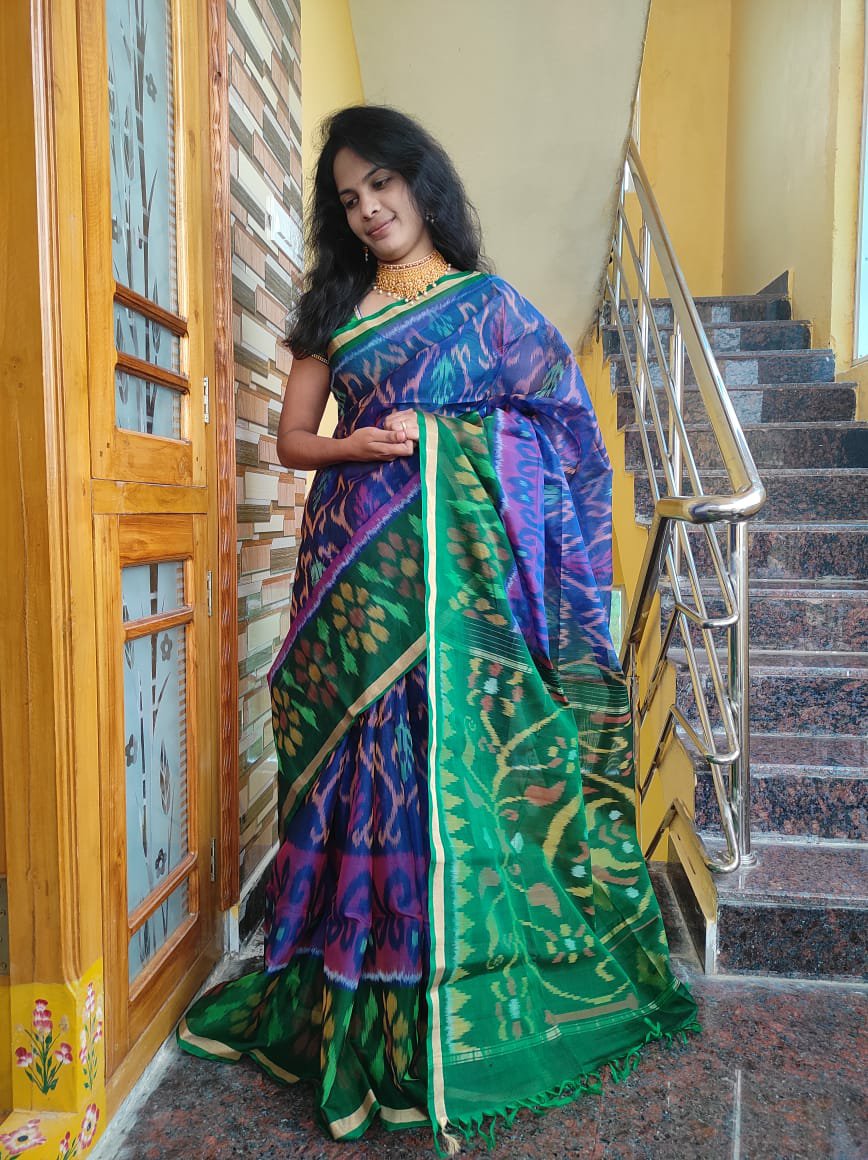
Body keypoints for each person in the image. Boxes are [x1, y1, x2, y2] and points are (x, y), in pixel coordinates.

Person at [178, 105, 698, 1152]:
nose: (369, 208)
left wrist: (444, 433)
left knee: (444, 767)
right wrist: (363, 443)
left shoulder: (490, 308)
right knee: (355, 767)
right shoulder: (334, 307)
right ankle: (346, 990)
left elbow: (565, 434)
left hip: (459, 592)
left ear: (421, 183)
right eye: (348, 198)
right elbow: (291, 439)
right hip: (355, 579)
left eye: (382, 184)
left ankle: (457, 992)